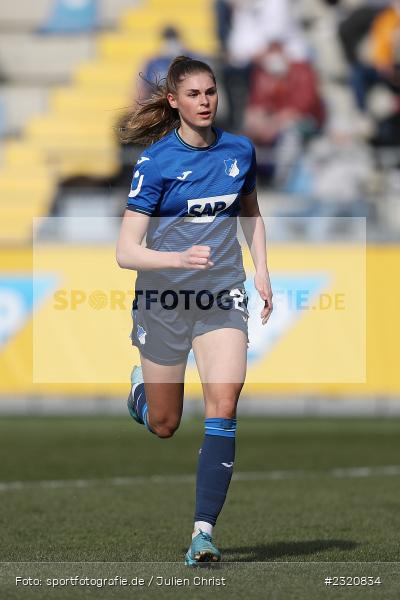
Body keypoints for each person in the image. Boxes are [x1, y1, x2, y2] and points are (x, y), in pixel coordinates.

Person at [116, 56, 273, 565]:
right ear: (174, 102)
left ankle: (202, 533)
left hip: (222, 294)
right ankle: (143, 392)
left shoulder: (239, 150)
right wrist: (176, 258)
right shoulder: (157, 162)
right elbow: (126, 251)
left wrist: (262, 271)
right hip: (164, 299)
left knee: (224, 406)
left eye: (211, 93)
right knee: (165, 424)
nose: (205, 102)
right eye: (194, 94)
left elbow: (250, 214)